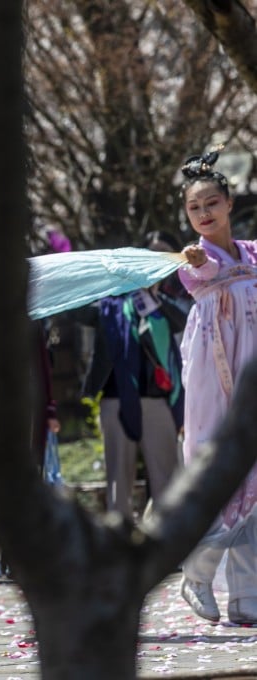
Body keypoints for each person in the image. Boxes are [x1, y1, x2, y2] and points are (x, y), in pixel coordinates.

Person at [175, 147, 257, 625]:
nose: (203, 214)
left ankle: (246, 596)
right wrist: (195, 260)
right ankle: (198, 572)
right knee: (220, 474)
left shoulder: (251, 253)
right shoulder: (192, 260)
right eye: (194, 207)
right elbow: (199, 272)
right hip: (213, 372)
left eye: (211, 203)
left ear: (229, 203)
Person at [75, 232, 186, 519]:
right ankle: (120, 541)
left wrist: (154, 299)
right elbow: (78, 312)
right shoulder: (113, 300)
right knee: (118, 479)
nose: (157, 258)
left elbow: (181, 321)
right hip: (115, 398)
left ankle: (168, 544)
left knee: (167, 477)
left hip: (157, 399)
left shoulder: (174, 302)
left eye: (165, 253)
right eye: (152, 252)